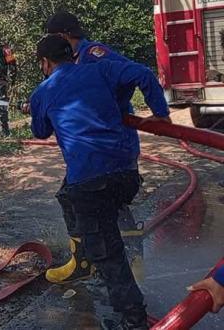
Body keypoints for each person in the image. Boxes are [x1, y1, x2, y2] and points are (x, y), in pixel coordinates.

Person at [29, 35, 171, 330]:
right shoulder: (101, 69)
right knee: (67, 196)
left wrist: (35, 108)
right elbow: (143, 73)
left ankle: (134, 320)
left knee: (109, 254)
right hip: (126, 175)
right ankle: (84, 257)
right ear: (72, 55)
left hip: (91, 185)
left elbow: (40, 132)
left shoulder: (43, 91)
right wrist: (161, 114)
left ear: (45, 63)